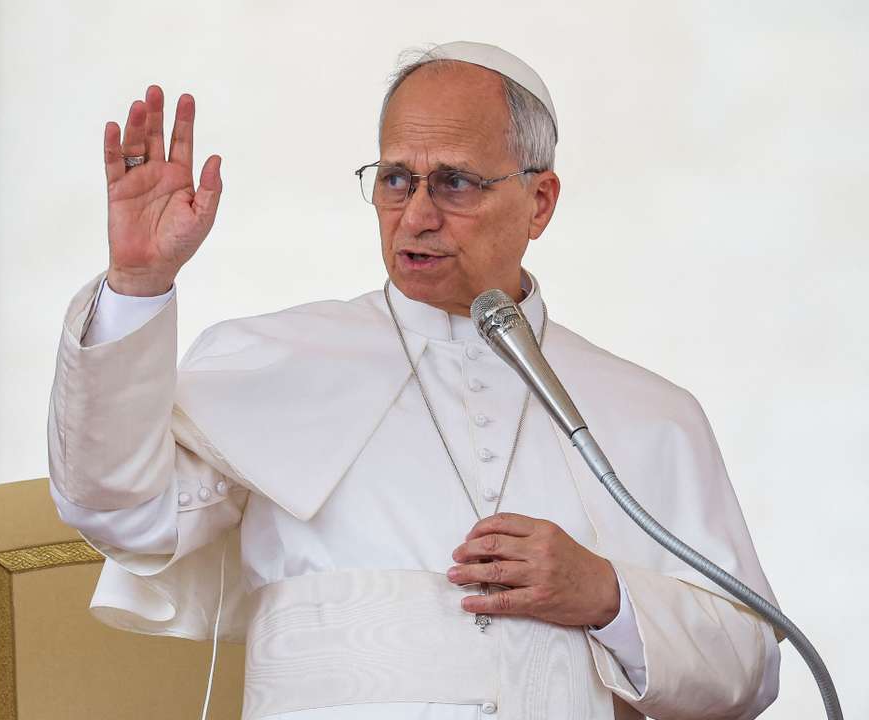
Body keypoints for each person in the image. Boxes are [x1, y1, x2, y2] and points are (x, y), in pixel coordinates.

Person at [46, 41, 781, 719]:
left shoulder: (650, 413)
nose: (416, 216)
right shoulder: (271, 360)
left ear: (540, 202)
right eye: (396, 179)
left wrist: (606, 595)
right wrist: (139, 283)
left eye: (454, 183)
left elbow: (749, 671)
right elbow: (119, 515)